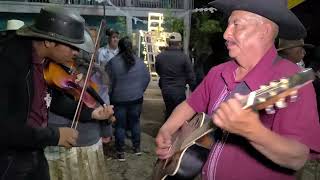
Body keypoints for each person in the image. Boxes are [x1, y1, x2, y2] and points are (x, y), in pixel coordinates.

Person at [155, 0, 320, 179]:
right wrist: (167, 129)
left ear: (264, 30)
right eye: (228, 25)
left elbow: (297, 158)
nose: (226, 34)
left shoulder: (290, 80)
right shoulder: (218, 72)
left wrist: (252, 131)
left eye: (236, 25)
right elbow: (190, 105)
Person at [0, 6, 90, 180]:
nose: (76, 53)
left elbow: (50, 99)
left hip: (34, 150)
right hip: (8, 159)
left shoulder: (44, 61)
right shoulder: (8, 63)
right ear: (49, 42)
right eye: (72, 46)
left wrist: (91, 112)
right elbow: (4, 128)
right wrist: (55, 135)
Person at [44, 28, 114, 180]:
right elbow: (104, 107)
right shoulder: (98, 74)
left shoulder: (46, 69)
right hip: (85, 141)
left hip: (54, 140)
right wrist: (107, 132)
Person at [106, 37, 150, 161]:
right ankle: (137, 148)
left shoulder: (112, 63)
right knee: (135, 122)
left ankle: (120, 152)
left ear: (119, 47)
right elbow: (147, 78)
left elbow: (107, 82)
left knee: (120, 125)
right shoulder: (140, 62)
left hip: (118, 100)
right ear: (131, 47)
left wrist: (111, 94)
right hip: (136, 99)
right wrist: (140, 91)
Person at [155, 32, 196, 119]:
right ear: (180, 44)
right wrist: (194, 89)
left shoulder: (160, 56)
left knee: (169, 111)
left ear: (168, 43)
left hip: (165, 90)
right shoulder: (184, 57)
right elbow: (190, 76)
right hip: (179, 91)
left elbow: (158, 71)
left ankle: (167, 129)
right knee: (178, 114)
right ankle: (175, 131)